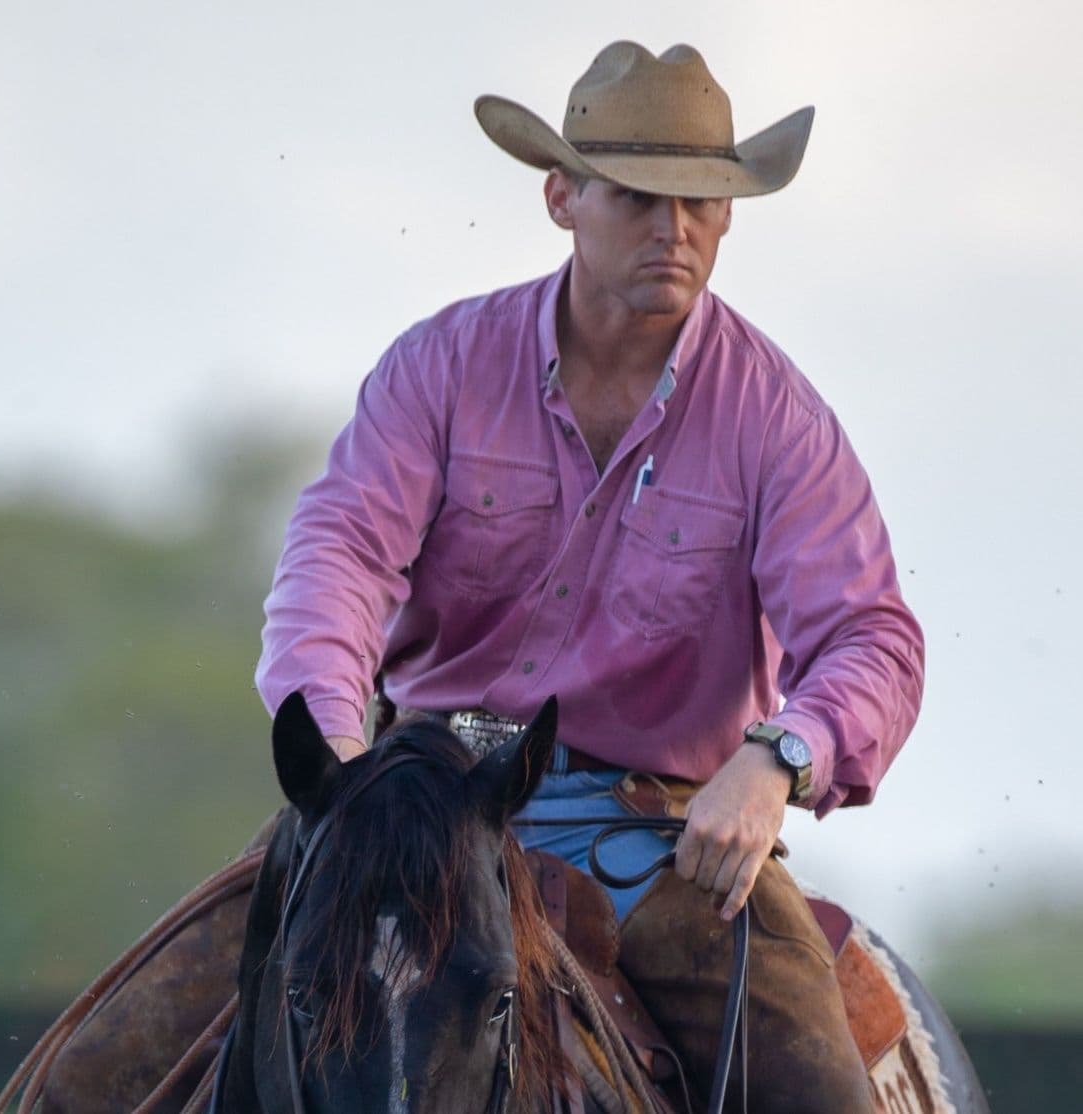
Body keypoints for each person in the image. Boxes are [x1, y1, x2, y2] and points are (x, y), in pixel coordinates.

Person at [255, 41, 924, 1112]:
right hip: (414, 800)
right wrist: (335, 751)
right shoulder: (439, 366)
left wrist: (775, 759)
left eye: (702, 203)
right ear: (561, 196)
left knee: (812, 1087)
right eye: (639, 197)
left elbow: (869, 638)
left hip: (658, 837)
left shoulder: (774, 419)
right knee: (126, 1049)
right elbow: (336, 555)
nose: (675, 230)